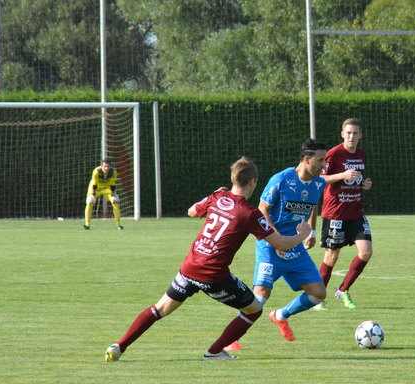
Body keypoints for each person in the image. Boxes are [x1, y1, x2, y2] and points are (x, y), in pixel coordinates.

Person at [104, 157, 312, 362]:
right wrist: (302, 234)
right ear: (252, 182)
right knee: (254, 310)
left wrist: (214, 196)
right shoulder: (250, 213)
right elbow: (281, 244)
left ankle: (119, 346)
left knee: (159, 309)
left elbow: (192, 211)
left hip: (190, 266)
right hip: (213, 274)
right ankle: (214, 352)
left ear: (232, 179)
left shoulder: (217, 196)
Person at [252, 139, 328, 342]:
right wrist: (277, 239)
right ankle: (231, 340)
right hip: (269, 245)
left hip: (295, 246)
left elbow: (313, 205)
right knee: (260, 295)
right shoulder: (281, 179)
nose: (324, 165)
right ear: (306, 159)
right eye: (320, 160)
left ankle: (280, 316)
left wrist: (311, 231)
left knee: (318, 293)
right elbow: (262, 210)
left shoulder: (319, 183)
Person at [317, 118, 373, 309]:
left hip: (356, 212)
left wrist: (365, 184)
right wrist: (343, 175)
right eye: (348, 133)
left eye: (355, 133)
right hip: (335, 214)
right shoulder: (333, 154)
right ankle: (317, 297)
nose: (351, 136)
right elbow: (320, 178)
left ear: (360, 136)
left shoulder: (361, 154)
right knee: (331, 257)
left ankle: (343, 290)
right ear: (342, 134)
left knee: (366, 252)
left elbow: (357, 179)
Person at [84, 159, 122, 230]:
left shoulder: (113, 172)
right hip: (96, 188)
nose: (106, 168)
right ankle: (87, 225)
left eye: (108, 166)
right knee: (90, 201)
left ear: (110, 166)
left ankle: (118, 225)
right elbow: (94, 184)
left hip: (107, 188)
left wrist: (113, 194)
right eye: (105, 166)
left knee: (115, 201)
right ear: (101, 166)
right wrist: (93, 194)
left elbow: (112, 185)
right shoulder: (96, 172)